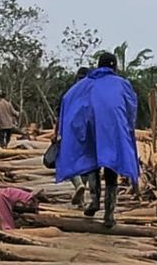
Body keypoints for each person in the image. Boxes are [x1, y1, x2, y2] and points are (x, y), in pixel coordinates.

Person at [54, 52, 140, 228]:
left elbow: (68, 100)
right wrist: (128, 127)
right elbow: (131, 106)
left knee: (93, 164)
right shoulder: (122, 85)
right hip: (114, 130)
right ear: (114, 67)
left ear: (98, 65)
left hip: (92, 128)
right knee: (111, 168)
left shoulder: (87, 83)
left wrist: (68, 129)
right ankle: (109, 213)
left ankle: (94, 201)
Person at [56, 67, 90, 207]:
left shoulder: (69, 94)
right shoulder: (92, 95)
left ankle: (78, 184)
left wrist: (56, 133)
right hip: (89, 134)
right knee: (87, 163)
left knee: (68, 160)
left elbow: (60, 116)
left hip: (71, 133)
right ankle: (81, 198)